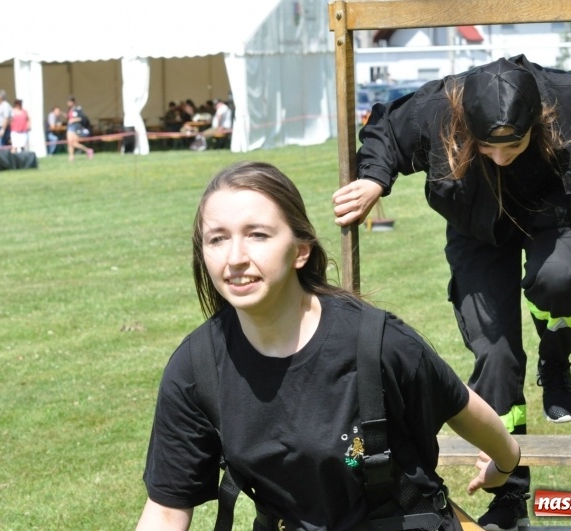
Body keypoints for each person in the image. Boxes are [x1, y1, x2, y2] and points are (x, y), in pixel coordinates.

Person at [332, 55, 571, 530]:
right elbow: (387, 129)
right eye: (488, 147)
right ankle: (509, 497)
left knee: (559, 278)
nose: (502, 157)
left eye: (514, 145)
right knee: (496, 355)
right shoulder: (440, 108)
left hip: (557, 214)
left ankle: (556, 359)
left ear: (538, 121)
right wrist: (373, 177)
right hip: (476, 229)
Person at [136, 161, 522, 531]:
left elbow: (461, 406)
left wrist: (505, 463)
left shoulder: (377, 342)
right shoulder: (196, 368)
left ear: (301, 250)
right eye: (217, 239)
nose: (235, 258)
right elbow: (166, 512)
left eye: (257, 235)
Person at [65, 96, 94, 161]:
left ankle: (87, 150)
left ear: (73, 102)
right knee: (71, 142)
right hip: (70, 126)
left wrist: (73, 120)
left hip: (75, 127)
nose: (68, 103)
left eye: (70, 102)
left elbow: (82, 118)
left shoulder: (78, 109)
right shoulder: (69, 110)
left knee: (73, 142)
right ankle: (71, 156)